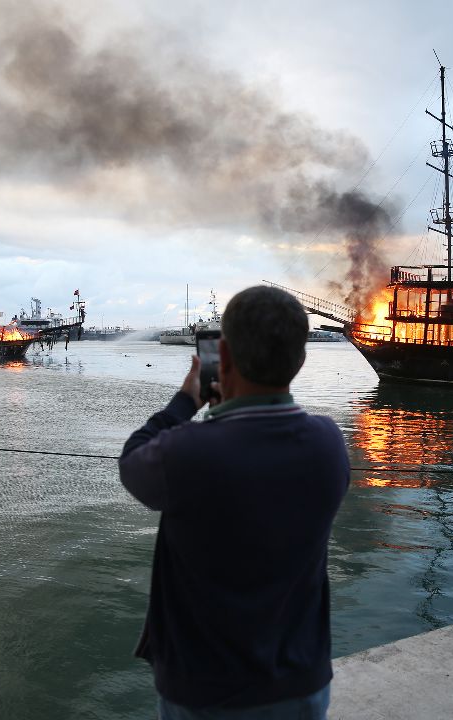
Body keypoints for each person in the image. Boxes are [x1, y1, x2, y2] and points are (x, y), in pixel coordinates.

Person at [119, 286, 350, 719]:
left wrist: (185, 401)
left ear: (221, 360)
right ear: (299, 362)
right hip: (302, 685)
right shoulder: (328, 443)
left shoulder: (187, 451)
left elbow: (133, 463)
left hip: (205, 692)